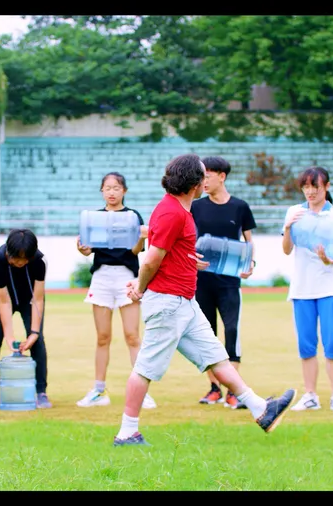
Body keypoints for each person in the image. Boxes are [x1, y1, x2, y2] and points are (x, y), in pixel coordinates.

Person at [114, 153, 296, 446]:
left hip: (184, 302)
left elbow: (169, 251)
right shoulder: (172, 212)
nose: (206, 178)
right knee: (145, 369)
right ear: (194, 183)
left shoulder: (180, 210)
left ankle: (261, 409)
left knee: (216, 357)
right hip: (168, 303)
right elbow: (151, 259)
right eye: (203, 174)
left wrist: (187, 260)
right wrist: (140, 287)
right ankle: (127, 432)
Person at [75, 172, 156, 409]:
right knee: (103, 337)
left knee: (132, 336)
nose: (112, 192)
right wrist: (82, 249)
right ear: (102, 191)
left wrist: (141, 238)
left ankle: (142, 392)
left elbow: (135, 251)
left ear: (124, 191)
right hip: (101, 277)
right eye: (107, 188)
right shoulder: (94, 217)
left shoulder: (132, 217)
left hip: (127, 277)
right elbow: (87, 250)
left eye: (116, 188)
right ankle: (99, 391)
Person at [281, 166, 333, 413]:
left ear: (327, 187)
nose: (310, 192)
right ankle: (310, 395)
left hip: (330, 288)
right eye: (306, 187)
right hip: (301, 289)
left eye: (315, 187)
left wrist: (327, 258)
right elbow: (287, 249)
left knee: (332, 344)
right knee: (306, 345)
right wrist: (288, 228)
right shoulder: (294, 212)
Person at [191, 156, 257, 409]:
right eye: (202, 176)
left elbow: (249, 241)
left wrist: (251, 264)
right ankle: (214, 388)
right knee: (207, 334)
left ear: (222, 176)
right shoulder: (196, 207)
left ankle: (233, 391)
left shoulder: (240, 207)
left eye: (208, 175)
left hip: (229, 283)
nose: (204, 181)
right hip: (200, 281)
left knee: (231, 331)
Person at [0, 229, 51, 409]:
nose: (19, 263)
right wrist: (9, 337)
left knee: (38, 341)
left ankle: (41, 392)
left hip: (30, 300)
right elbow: (4, 301)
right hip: (2, 298)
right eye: (16, 258)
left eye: (24, 259)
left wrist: (34, 333)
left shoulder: (40, 261)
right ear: (8, 253)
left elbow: (38, 298)